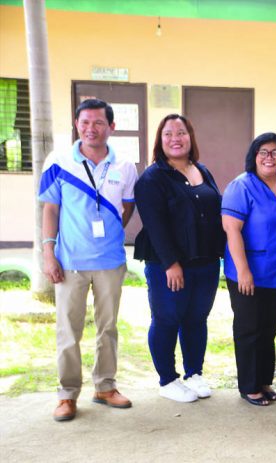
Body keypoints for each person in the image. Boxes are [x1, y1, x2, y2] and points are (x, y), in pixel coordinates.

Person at [39, 98, 137, 421]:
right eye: (84, 123)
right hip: (69, 263)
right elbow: (50, 209)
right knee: (69, 330)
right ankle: (67, 395)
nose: (91, 129)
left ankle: (105, 386)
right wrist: (49, 253)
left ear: (112, 126)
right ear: (76, 125)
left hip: (110, 261)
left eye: (98, 123)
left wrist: (109, 233)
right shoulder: (59, 160)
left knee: (107, 328)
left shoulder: (124, 164)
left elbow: (127, 207)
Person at [134, 114, 225, 403]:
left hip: (206, 261)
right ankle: (167, 379)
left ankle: (193, 373)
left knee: (197, 319)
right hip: (168, 265)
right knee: (166, 319)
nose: (176, 138)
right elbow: (155, 225)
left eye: (181, 132)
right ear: (160, 141)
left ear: (190, 137)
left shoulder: (202, 170)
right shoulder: (152, 178)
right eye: (169, 133)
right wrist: (171, 263)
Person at [222, 132, 276, 406]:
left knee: (269, 329)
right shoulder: (240, 187)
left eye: (275, 152)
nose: (269, 157)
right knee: (249, 329)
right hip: (248, 273)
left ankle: (265, 381)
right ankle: (249, 386)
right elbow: (231, 230)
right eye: (263, 152)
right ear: (254, 156)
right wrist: (243, 270)